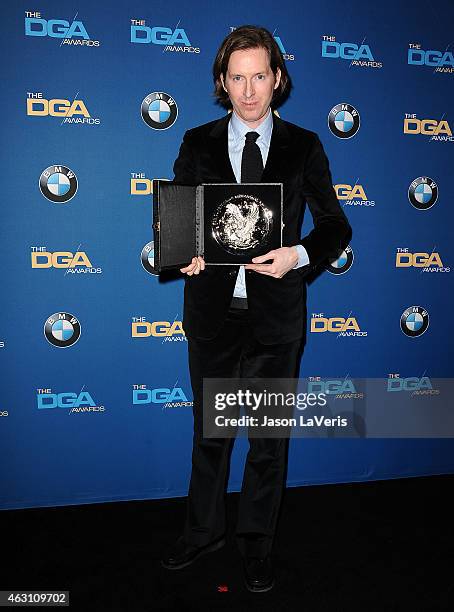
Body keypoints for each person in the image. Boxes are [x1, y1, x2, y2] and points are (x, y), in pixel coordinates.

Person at [160, 25, 352, 592]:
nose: (248, 91)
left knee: (268, 444)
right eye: (237, 77)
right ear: (223, 81)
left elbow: (336, 225)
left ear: (278, 79)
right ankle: (202, 534)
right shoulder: (197, 142)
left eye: (259, 76)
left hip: (275, 320)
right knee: (210, 436)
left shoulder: (304, 145)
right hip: (214, 315)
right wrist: (183, 257)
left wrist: (297, 254)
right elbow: (181, 225)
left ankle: (256, 545)